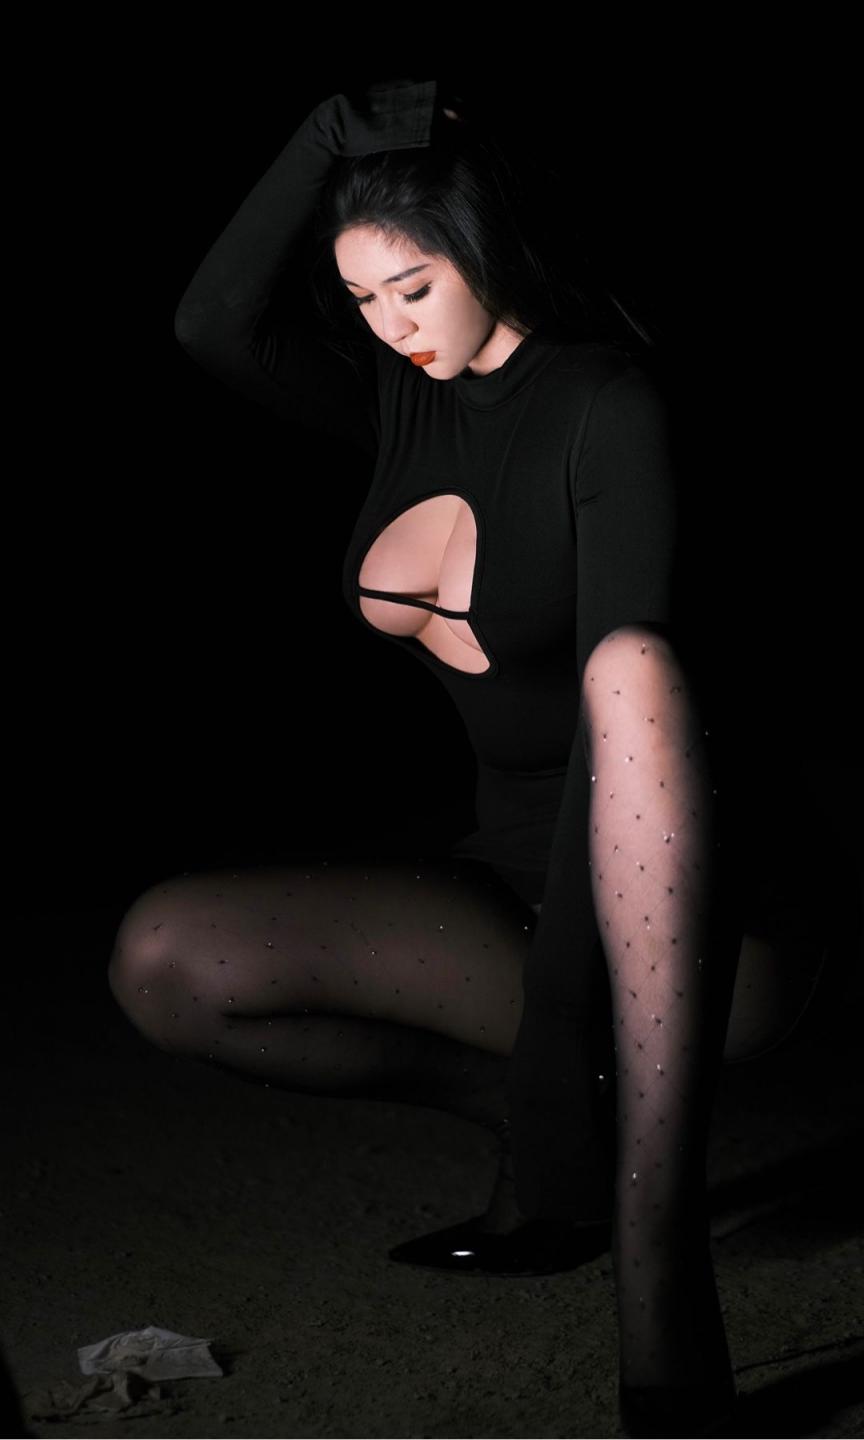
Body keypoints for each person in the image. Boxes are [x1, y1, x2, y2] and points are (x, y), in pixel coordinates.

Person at [108, 77, 826, 1436]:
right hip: (512, 879)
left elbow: (631, 726)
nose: (391, 326)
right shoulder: (401, 397)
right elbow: (210, 323)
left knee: (632, 666)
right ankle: (529, 1122)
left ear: (487, 248)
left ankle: (659, 1269)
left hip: (695, 915)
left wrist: (562, 1062)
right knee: (168, 959)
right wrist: (328, 134)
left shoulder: (609, 403)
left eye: (415, 288)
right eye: (362, 299)